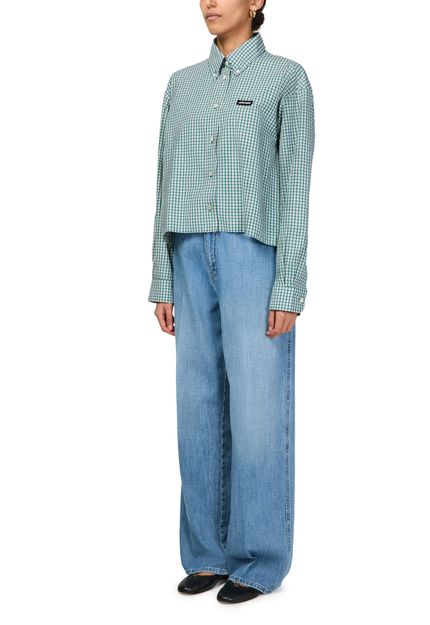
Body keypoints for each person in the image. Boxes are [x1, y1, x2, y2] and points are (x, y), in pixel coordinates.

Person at [148, 0, 315, 604]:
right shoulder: (181, 84)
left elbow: (294, 185)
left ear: (257, 1)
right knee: (197, 407)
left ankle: (260, 559)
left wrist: (289, 284)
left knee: (257, 410)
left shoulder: (285, 79)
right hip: (188, 251)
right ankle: (207, 554)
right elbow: (163, 182)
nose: (210, 3)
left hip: (253, 254)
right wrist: (162, 278)